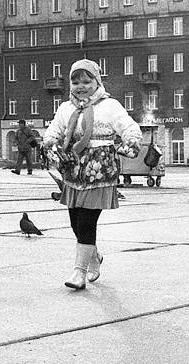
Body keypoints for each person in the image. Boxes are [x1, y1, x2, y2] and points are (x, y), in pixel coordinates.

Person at [43, 59, 142, 289]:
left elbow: (127, 125)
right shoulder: (66, 108)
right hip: (73, 170)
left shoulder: (109, 105)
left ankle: (79, 273)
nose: (81, 86)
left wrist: (132, 139)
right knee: (75, 223)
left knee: (87, 221)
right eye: (76, 81)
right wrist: (49, 142)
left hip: (99, 170)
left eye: (87, 81)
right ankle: (94, 257)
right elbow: (55, 129)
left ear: (97, 82)